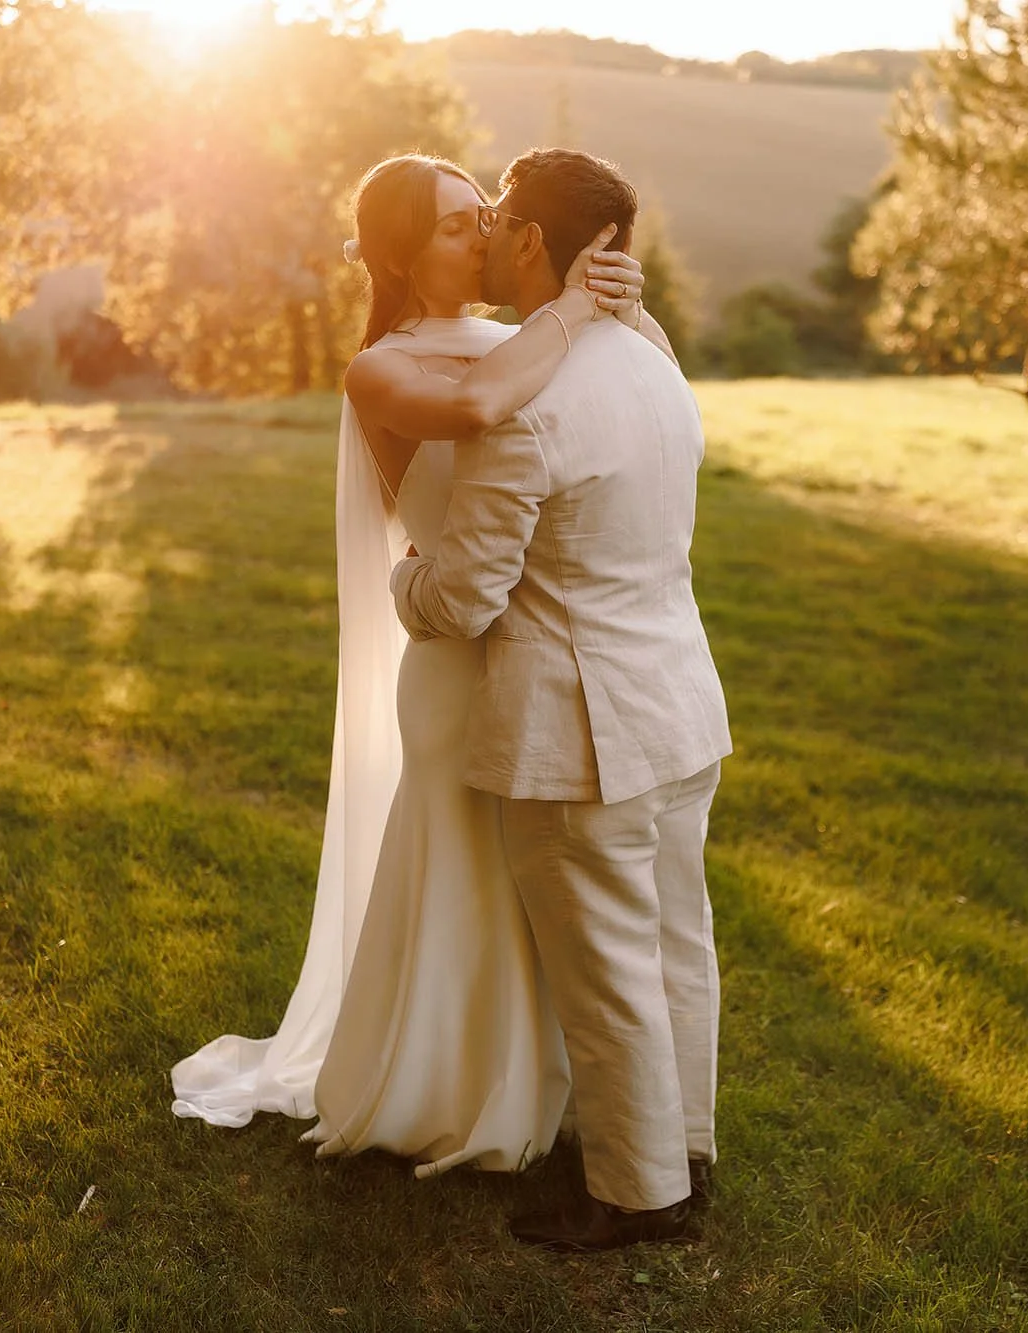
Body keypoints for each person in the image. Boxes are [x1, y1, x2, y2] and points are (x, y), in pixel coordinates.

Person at [170, 153, 679, 1183]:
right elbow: (481, 406)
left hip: (551, 649)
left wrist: (627, 307)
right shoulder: (386, 367)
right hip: (455, 658)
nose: (485, 232)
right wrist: (576, 313)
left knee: (549, 895)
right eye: (456, 224)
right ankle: (442, 1087)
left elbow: (641, 396)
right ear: (401, 252)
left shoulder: (534, 333)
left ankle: (553, 1089)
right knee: (462, 871)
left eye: (487, 214)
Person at [391, 148, 732, 1251]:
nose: (482, 230)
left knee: (605, 968)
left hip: (577, 732)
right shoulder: (651, 366)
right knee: (678, 941)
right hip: (679, 699)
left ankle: (634, 1196)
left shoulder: (528, 409)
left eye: (493, 215)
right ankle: (684, 1147)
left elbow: (467, 599)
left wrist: (404, 581)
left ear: (533, 240)